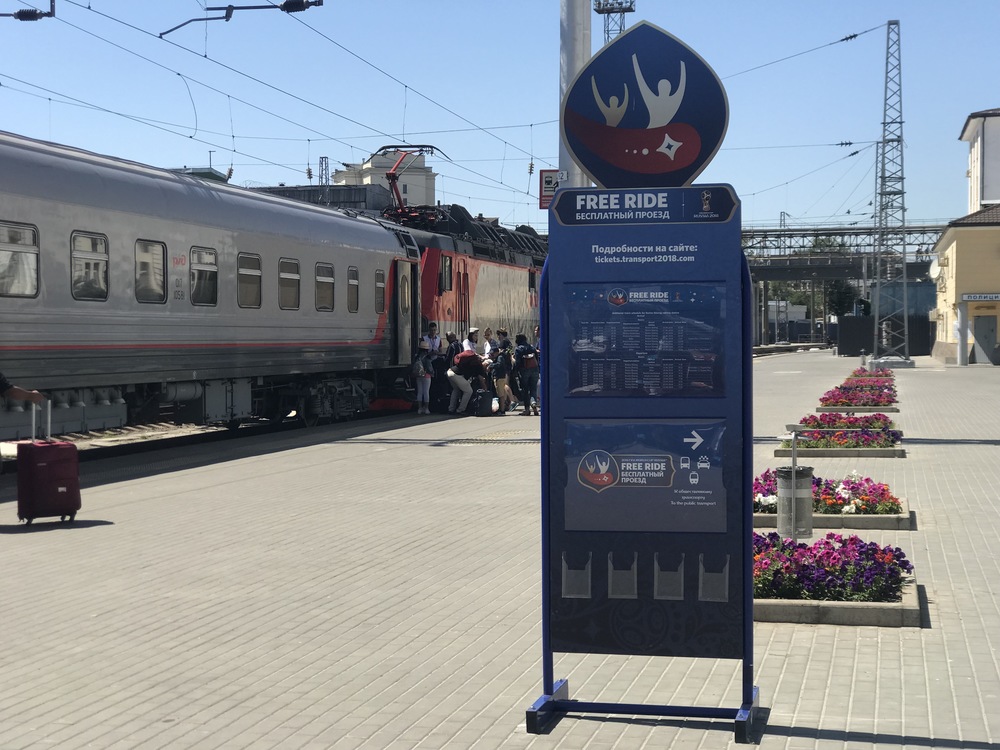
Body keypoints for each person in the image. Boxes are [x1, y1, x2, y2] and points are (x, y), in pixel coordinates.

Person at [447, 349, 487, 415]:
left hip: (450, 372)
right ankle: (460, 410)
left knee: (456, 389)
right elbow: (481, 380)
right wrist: (485, 390)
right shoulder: (479, 366)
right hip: (457, 375)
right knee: (468, 391)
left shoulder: (472, 360)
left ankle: (451, 409)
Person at [513, 333, 540, 415]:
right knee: (533, 388)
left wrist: (515, 371)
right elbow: (536, 358)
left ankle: (527, 409)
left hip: (524, 370)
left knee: (525, 390)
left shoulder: (518, 349)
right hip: (534, 369)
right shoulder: (531, 347)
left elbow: (517, 363)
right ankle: (534, 403)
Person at [487, 344, 512, 413]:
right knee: (501, 394)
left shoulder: (500, 357)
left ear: (497, 352)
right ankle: (502, 408)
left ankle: (502, 409)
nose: (492, 355)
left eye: (493, 353)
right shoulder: (498, 357)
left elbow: (499, 364)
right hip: (499, 377)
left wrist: (491, 365)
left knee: (501, 395)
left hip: (499, 377)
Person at [412, 340, 434, 415]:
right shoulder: (427, 357)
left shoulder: (417, 356)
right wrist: (432, 374)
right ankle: (426, 408)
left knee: (420, 392)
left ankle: (419, 408)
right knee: (426, 392)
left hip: (418, 375)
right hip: (427, 376)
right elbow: (430, 368)